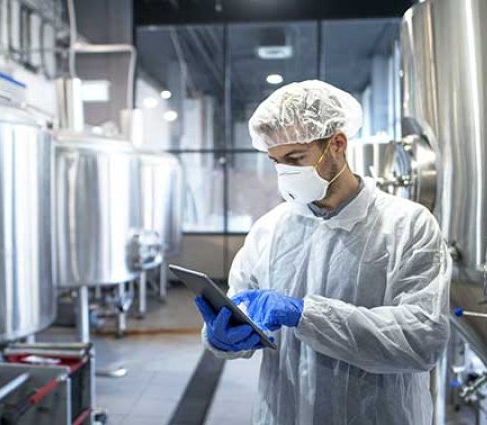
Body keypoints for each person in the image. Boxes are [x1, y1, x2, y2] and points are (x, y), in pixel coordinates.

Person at [193, 80, 451, 424]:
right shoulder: (269, 231)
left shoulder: (407, 225)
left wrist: (304, 314)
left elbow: (422, 339)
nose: (285, 172)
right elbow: (241, 307)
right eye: (276, 161)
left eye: (296, 158)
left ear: (337, 145)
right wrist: (222, 337)